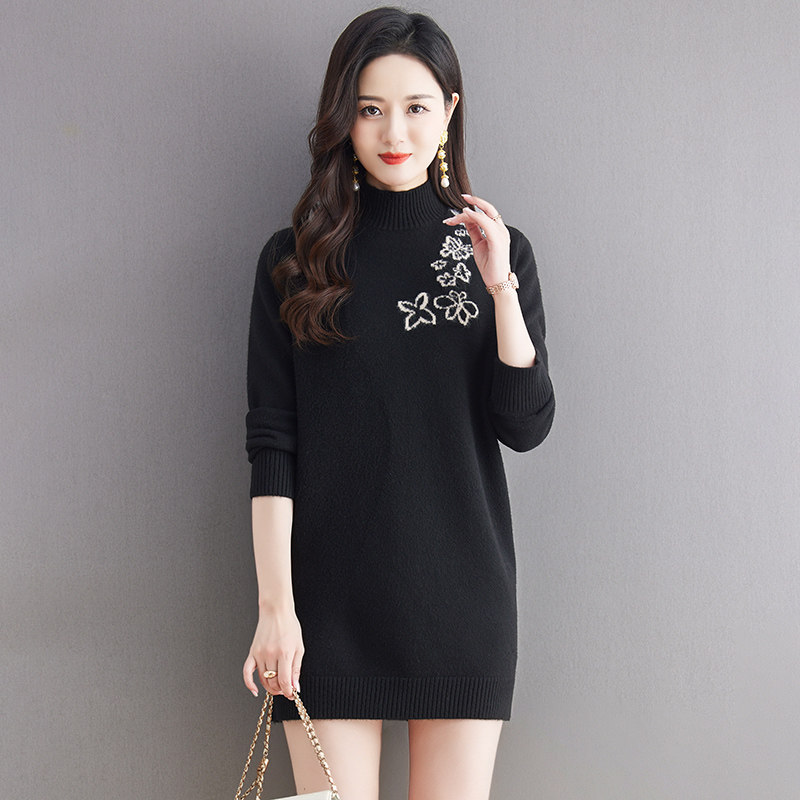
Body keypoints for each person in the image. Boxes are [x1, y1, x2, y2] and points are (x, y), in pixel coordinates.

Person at [242, 8, 555, 800]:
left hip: (462, 602)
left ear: (449, 110)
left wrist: (500, 288)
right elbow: (273, 444)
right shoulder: (296, 261)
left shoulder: (497, 251)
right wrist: (276, 610)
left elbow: (525, 425)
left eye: (416, 107)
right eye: (370, 108)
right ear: (342, 117)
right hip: (327, 612)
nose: (394, 132)